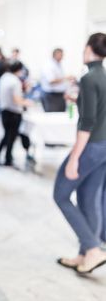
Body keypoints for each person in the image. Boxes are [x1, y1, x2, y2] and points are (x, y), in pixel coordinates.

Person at [53, 33, 106, 274]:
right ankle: (85, 255)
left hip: (92, 145)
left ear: (88, 49)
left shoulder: (88, 77)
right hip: (104, 146)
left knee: (61, 194)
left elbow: (88, 122)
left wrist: (74, 157)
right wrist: (77, 98)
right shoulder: (102, 76)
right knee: (89, 198)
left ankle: (93, 249)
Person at [0, 61, 32, 167]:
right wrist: (27, 103)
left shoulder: (3, 78)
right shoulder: (15, 81)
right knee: (10, 137)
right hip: (14, 112)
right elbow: (17, 99)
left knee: (6, 136)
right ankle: (7, 158)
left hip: (4, 110)